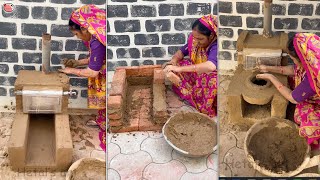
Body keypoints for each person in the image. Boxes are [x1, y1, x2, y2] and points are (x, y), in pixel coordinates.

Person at [256, 33, 320, 149]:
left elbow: (292, 98)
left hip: (317, 102)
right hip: (311, 89)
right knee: (293, 78)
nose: (292, 60)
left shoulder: (312, 81)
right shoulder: (313, 58)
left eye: (293, 59)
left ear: (302, 58)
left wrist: (272, 78)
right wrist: (267, 68)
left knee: (301, 118)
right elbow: (293, 69)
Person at [59, 4, 106, 152]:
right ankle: (102, 121)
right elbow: (95, 59)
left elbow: (93, 71)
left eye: (77, 34)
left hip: (105, 74)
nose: (78, 38)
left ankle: (107, 126)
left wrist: (70, 70)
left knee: (106, 100)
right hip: (102, 68)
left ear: (84, 28)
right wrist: (78, 62)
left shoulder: (97, 42)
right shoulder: (96, 35)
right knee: (103, 103)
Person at [163, 14, 218, 117]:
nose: (196, 42)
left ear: (211, 36)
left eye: (200, 39)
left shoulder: (216, 45)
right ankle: (188, 91)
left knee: (212, 80)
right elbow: (182, 52)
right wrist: (174, 61)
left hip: (209, 79)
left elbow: (211, 66)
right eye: (195, 38)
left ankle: (193, 96)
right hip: (197, 75)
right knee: (179, 64)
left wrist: (179, 69)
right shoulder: (195, 40)